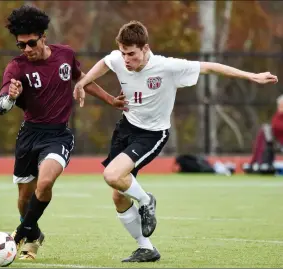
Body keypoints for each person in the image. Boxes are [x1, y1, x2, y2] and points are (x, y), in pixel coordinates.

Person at [74, 20, 278, 262]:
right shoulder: (119, 58)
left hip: (152, 134)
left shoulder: (167, 67)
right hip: (125, 128)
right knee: (118, 194)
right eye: (123, 53)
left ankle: (146, 200)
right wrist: (82, 83)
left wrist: (252, 76)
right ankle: (146, 248)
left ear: (145, 48)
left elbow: (210, 67)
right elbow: (105, 63)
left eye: (131, 54)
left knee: (111, 175)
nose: (126, 60)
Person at [0, 5, 127, 261]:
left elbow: (83, 80)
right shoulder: (16, 67)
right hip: (28, 136)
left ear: (43, 36)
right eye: (21, 45)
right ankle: (33, 234)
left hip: (57, 136)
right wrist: (10, 98)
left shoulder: (65, 54)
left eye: (31, 43)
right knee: (24, 198)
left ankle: (21, 234)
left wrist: (111, 99)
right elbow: (2, 106)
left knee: (44, 184)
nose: (26, 49)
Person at [245, 94, 283, 174]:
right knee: (264, 129)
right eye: (280, 105)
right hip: (279, 143)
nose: (280, 108)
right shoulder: (277, 117)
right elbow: (276, 127)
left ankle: (258, 162)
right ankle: (259, 162)